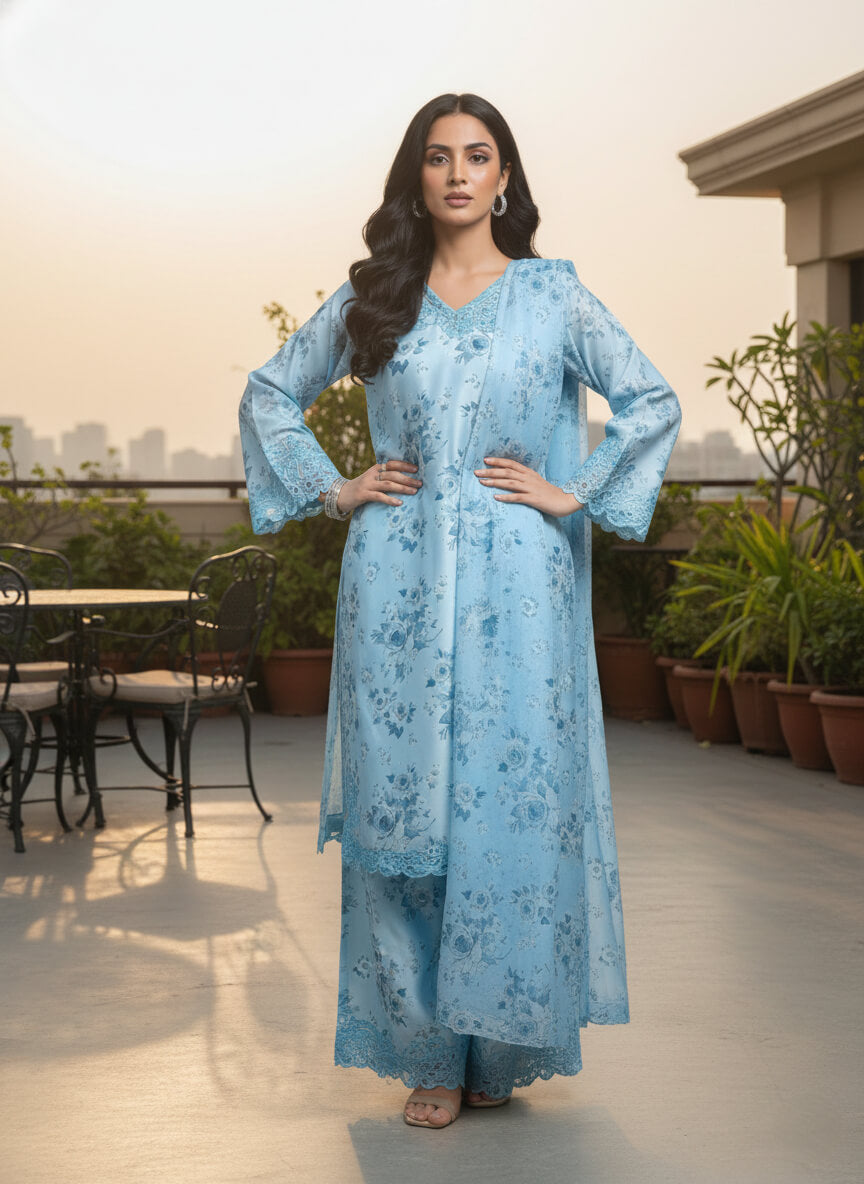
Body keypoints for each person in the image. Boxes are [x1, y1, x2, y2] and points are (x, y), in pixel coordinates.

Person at [239, 92, 682, 1130]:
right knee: (405, 820)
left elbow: (651, 398)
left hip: (521, 591)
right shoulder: (376, 296)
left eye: (477, 157)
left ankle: (501, 1043)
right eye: (438, 158)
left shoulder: (552, 295)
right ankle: (428, 1054)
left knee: (509, 810)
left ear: (505, 177)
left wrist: (574, 492)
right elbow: (270, 392)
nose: (457, 175)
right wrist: (333, 487)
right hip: (396, 580)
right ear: (417, 176)